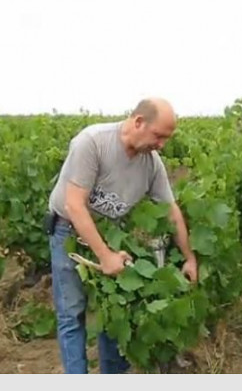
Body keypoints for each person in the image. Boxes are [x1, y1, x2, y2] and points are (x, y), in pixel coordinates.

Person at [47, 97, 198, 374]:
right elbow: (74, 204)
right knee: (72, 314)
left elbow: (171, 211)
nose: (162, 145)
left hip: (112, 234)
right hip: (68, 230)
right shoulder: (92, 142)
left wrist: (189, 258)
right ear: (138, 121)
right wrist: (104, 256)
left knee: (114, 313)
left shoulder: (151, 164)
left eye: (166, 138)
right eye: (158, 136)